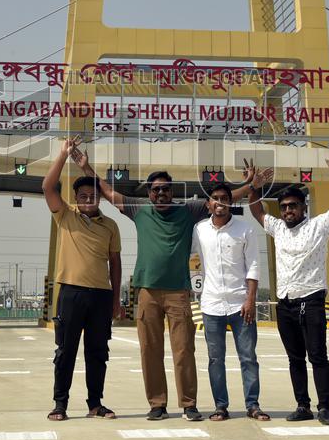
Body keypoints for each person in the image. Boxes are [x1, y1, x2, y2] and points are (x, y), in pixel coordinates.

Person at [72, 138, 255, 422]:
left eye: (165, 189)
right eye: (156, 189)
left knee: (184, 350)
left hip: (178, 293)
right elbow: (108, 193)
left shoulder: (188, 210)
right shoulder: (138, 209)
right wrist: (86, 166)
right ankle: (157, 403)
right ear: (149, 192)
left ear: (171, 191)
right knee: (150, 350)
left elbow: (221, 201)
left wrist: (250, 185)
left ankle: (189, 404)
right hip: (146, 291)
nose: (160, 193)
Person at [249, 148, 329, 426]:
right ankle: (302, 405)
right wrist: (254, 188)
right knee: (295, 358)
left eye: (293, 206)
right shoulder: (278, 228)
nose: (288, 211)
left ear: (304, 207)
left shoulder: (318, 226)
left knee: (318, 356)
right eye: (284, 207)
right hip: (286, 303)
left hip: (312, 300)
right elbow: (256, 211)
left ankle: (324, 408)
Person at [43, 137, 123, 421]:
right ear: (76, 199)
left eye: (93, 195)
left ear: (99, 198)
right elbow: (47, 187)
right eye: (83, 196)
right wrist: (63, 155)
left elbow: (115, 263)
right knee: (65, 351)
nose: (88, 199)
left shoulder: (111, 226)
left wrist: (116, 300)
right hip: (71, 294)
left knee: (98, 352)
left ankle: (95, 403)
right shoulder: (65, 216)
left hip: (101, 296)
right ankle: (60, 404)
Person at [191, 182, 269, 422]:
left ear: (231, 202)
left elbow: (254, 264)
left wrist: (251, 299)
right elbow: (194, 261)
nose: (220, 202)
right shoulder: (199, 230)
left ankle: (252, 405)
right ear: (208, 204)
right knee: (216, 359)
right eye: (215, 198)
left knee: (248, 357)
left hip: (240, 304)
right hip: (211, 305)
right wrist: (196, 292)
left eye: (224, 198)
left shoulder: (245, 230)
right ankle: (220, 406)